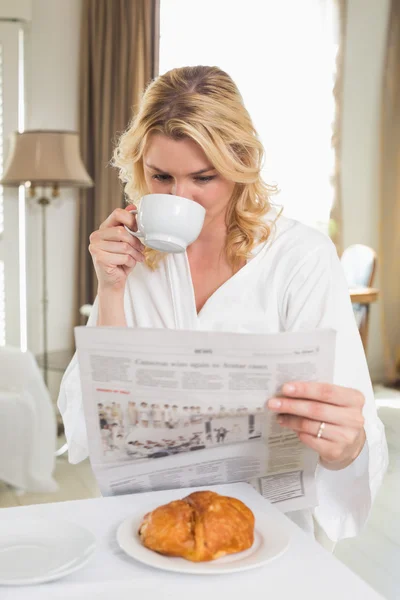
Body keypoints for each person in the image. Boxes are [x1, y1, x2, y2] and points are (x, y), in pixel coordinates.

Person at [58, 65, 388, 544]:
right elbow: (96, 420)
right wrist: (111, 289)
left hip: (265, 529)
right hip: (150, 521)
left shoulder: (300, 257)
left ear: (239, 165)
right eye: (161, 176)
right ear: (140, 169)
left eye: (203, 177)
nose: (179, 196)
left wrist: (346, 445)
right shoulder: (132, 257)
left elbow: (354, 426)